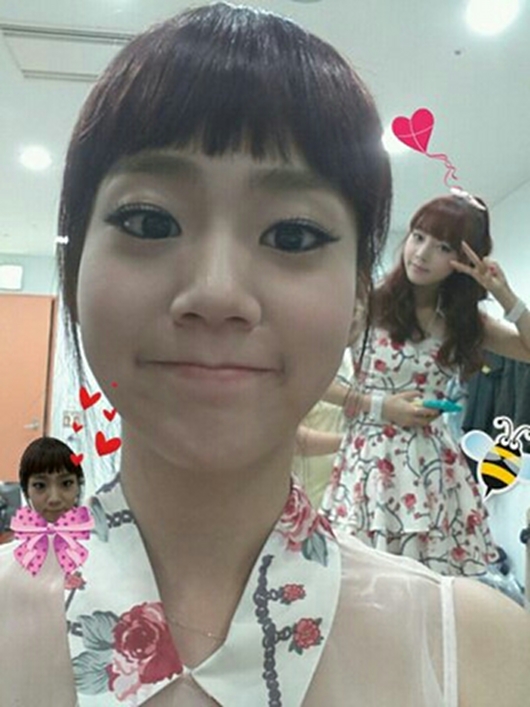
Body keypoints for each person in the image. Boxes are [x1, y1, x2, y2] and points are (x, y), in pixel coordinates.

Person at [0, 4, 528, 706]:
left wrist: (503, 292)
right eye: (149, 220)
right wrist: (373, 405)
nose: (217, 293)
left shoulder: (481, 652)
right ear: (73, 270)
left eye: (293, 235)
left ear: (353, 298)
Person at [321, 192, 530, 578]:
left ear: (463, 260)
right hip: (371, 464)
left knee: (431, 586)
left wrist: (504, 294)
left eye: (443, 247)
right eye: (418, 237)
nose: (421, 253)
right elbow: (312, 379)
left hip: (434, 471)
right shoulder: (366, 304)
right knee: (368, 580)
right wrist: (380, 406)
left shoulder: (463, 322)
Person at [18, 436, 84, 522]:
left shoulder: (96, 529)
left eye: (66, 483)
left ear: (78, 486)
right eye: (40, 485)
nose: (54, 499)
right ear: (26, 491)